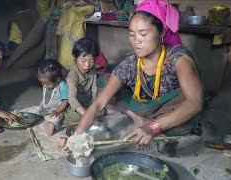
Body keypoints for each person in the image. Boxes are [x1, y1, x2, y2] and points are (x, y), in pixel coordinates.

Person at [61, 0, 204, 156]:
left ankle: (154, 129)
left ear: (161, 32)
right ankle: (141, 122)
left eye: (143, 34)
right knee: (105, 81)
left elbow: (194, 103)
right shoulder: (130, 65)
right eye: (131, 34)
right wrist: (76, 137)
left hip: (169, 109)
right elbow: (97, 105)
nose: (136, 40)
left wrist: (153, 127)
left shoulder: (178, 59)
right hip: (143, 108)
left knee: (186, 117)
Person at [21, 59, 69, 136]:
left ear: (57, 79)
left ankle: (52, 125)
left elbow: (65, 102)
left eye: (47, 84)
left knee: (56, 118)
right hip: (43, 108)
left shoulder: (63, 86)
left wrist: (57, 111)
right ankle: (19, 114)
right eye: (42, 83)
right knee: (31, 109)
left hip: (56, 110)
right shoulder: (46, 82)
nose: (44, 86)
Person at [64, 38, 101, 121]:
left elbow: (95, 89)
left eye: (92, 61)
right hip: (76, 102)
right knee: (71, 116)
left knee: (103, 103)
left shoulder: (92, 70)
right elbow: (71, 97)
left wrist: (95, 105)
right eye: (83, 61)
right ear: (74, 59)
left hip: (89, 101)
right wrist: (85, 113)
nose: (87, 65)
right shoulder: (72, 75)